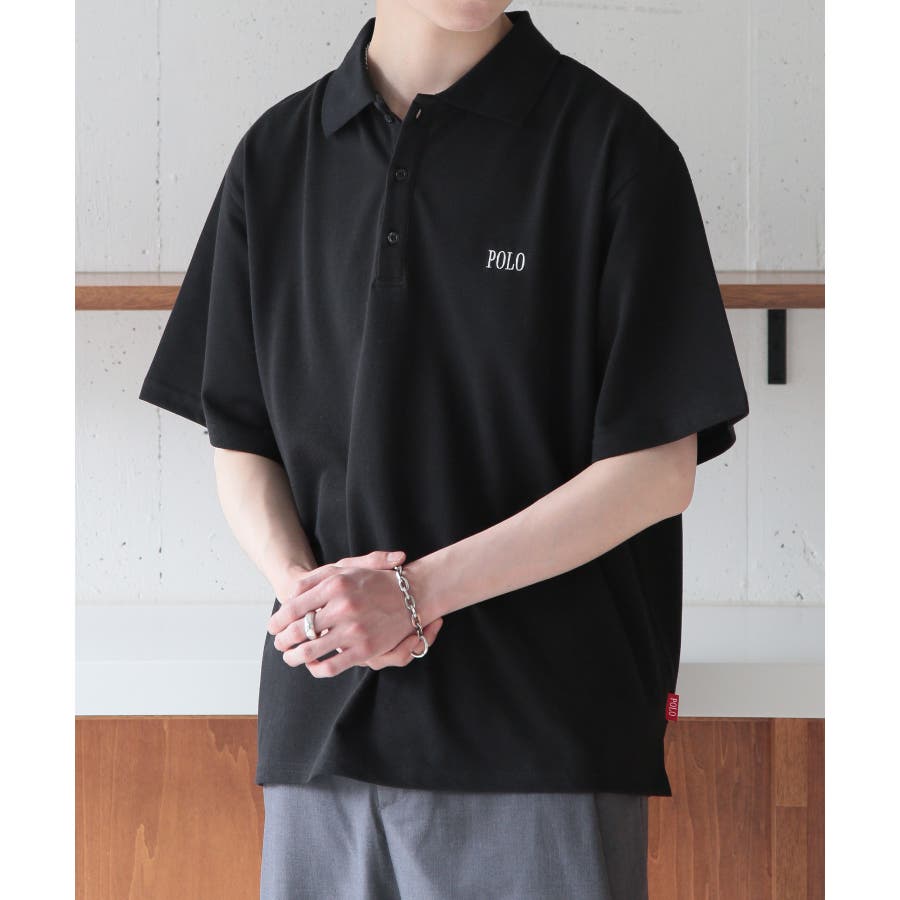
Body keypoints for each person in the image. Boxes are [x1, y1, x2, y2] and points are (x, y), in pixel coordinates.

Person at [139, 2, 750, 897]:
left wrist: (411, 596)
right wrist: (317, 605)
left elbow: (658, 470)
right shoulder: (276, 157)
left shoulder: (612, 150)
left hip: (541, 738)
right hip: (323, 734)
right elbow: (238, 431)